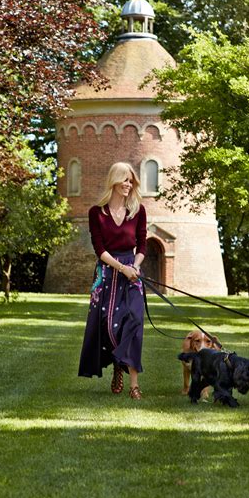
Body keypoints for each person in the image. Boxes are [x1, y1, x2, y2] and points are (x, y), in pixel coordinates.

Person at [78, 162, 147, 400]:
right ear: (114, 181)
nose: (129, 184)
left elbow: (142, 244)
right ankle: (118, 364)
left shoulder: (138, 211)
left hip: (132, 273)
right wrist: (122, 268)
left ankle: (134, 385)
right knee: (107, 325)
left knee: (135, 323)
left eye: (131, 181)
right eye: (125, 180)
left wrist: (134, 267)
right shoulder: (97, 213)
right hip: (107, 273)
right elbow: (100, 249)